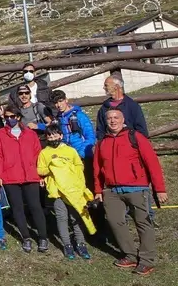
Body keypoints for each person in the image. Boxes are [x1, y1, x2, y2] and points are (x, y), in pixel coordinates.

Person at [93, 108, 167, 275]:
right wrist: (98, 190)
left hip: (137, 188)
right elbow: (97, 169)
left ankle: (147, 260)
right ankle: (131, 254)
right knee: (115, 222)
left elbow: (152, 163)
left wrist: (160, 189)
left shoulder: (135, 137)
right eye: (109, 118)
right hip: (111, 190)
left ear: (122, 119)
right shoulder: (102, 142)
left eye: (116, 117)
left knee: (143, 223)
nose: (112, 121)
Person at [0, 107, 49, 254]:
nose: (11, 119)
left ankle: (42, 237)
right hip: (10, 177)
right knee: (17, 208)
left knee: (35, 206)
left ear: (19, 117)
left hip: (30, 176)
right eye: (8, 116)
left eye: (13, 116)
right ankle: (26, 237)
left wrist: (40, 174)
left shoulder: (30, 134)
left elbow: (38, 154)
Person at [37, 124, 95, 261]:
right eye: (49, 136)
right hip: (57, 192)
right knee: (61, 218)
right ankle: (67, 244)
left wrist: (72, 174)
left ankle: (81, 243)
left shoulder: (70, 151)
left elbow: (79, 165)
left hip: (73, 190)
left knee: (76, 217)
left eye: (55, 135)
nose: (52, 138)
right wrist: (52, 168)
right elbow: (40, 170)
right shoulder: (44, 153)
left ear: (61, 136)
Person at [49, 90, 95, 162]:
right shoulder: (58, 119)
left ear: (66, 100)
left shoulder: (79, 116)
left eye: (61, 101)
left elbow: (90, 136)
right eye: (56, 103)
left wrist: (81, 154)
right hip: (67, 156)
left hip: (83, 156)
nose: (59, 105)